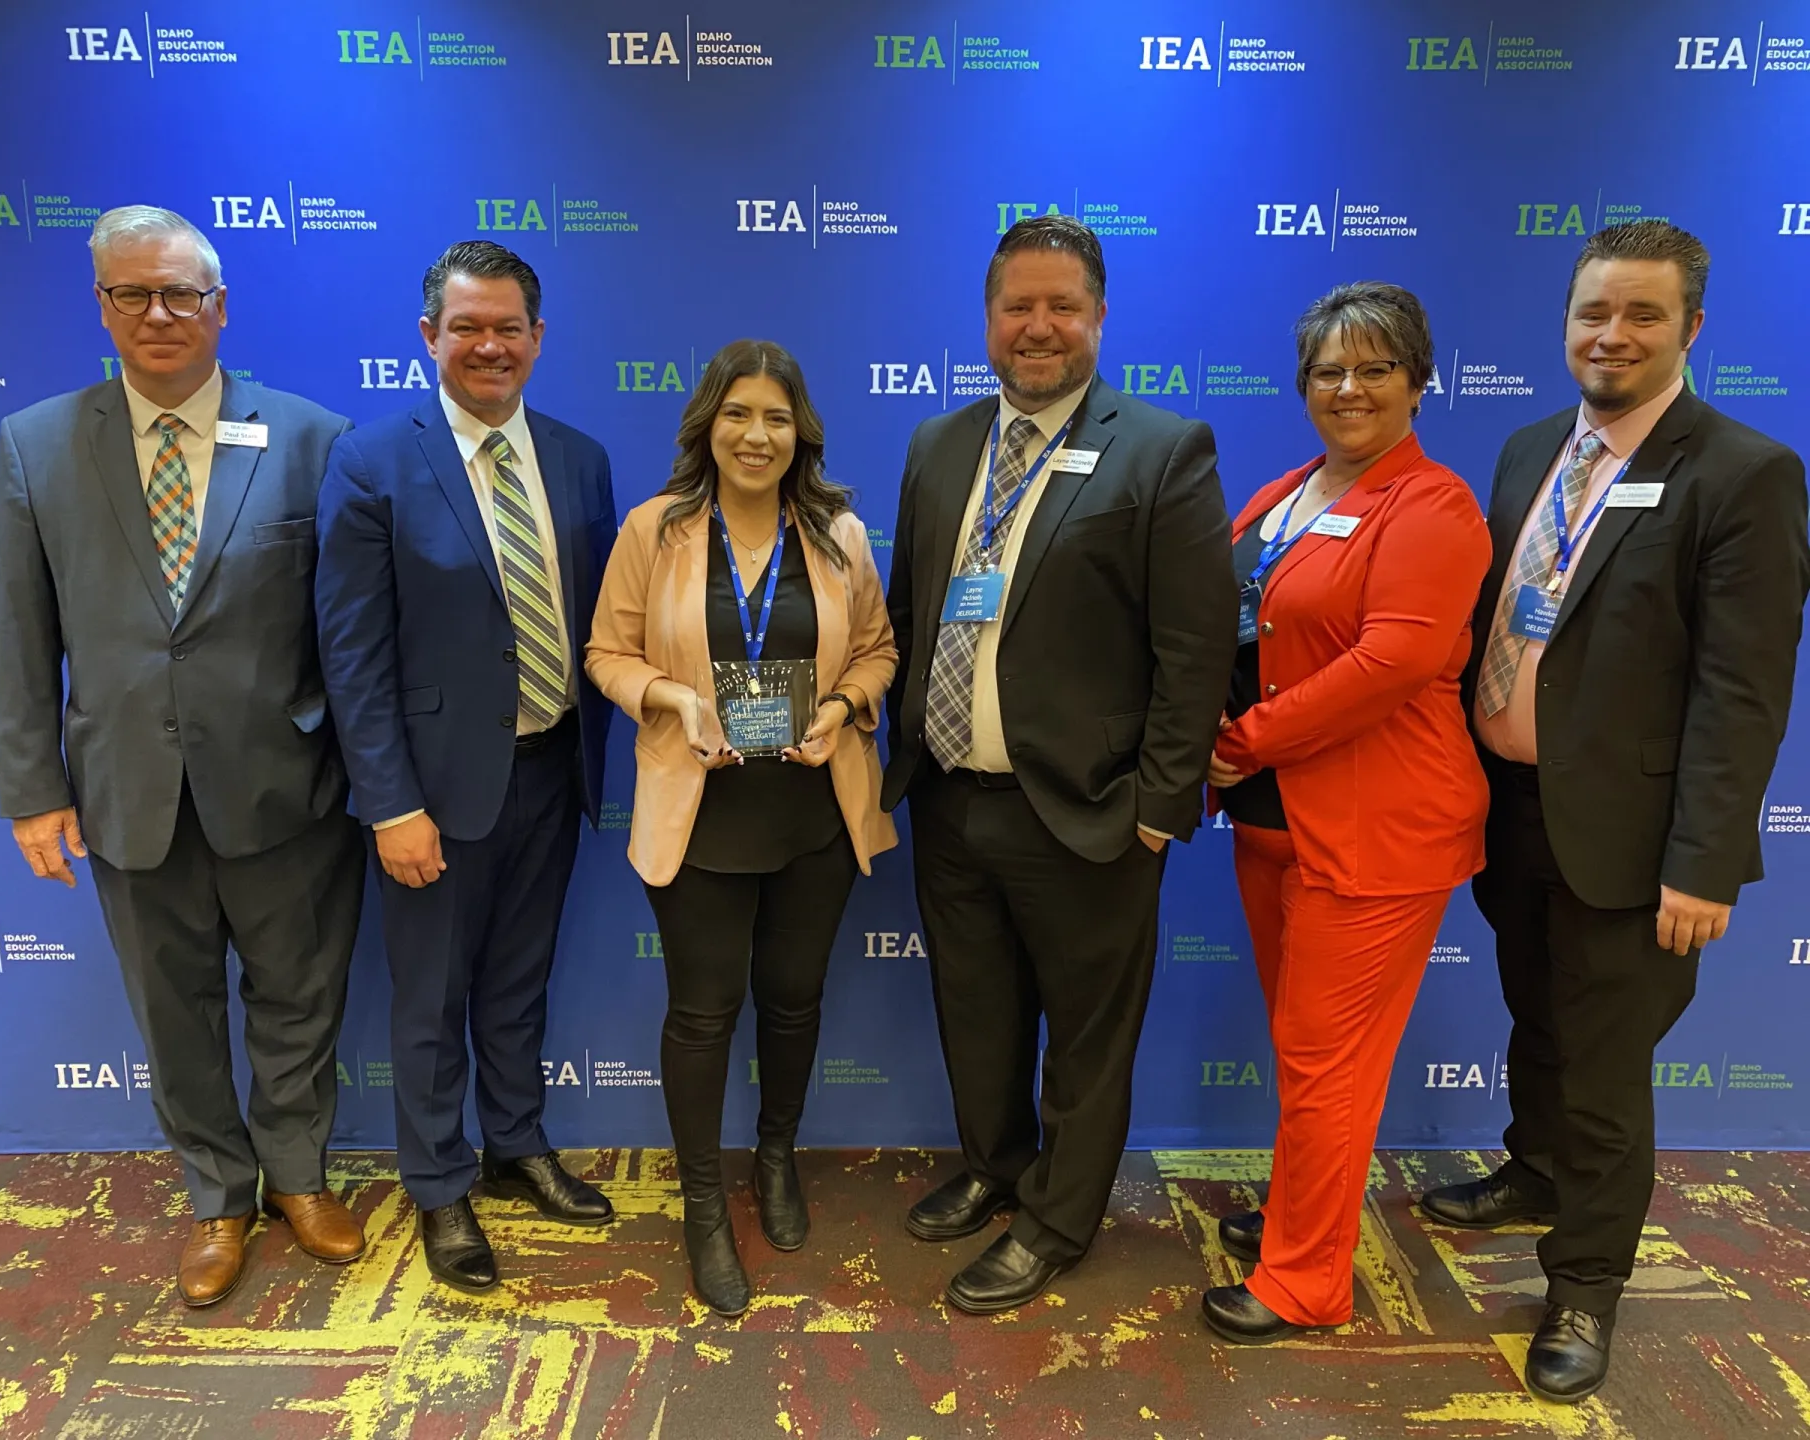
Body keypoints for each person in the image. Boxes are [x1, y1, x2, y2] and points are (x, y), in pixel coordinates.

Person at [1416, 221, 1810, 1402]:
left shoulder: (1744, 473)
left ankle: (1586, 1283)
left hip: (1637, 846)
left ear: (1693, 327)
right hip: (1512, 810)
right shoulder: (1534, 445)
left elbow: (1743, 693)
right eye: (1595, 312)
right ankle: (1534, 1170)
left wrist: (1702, 865)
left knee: (1603, 1069)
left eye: (1643, 315)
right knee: (1536, 1017)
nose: (1613, 335)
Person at [0, 205, 366, 1307]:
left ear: (221, 307)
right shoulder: (36, 443)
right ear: (101, 302)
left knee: (300, 996)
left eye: (182, 294)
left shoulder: (313, 439)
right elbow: (21, 633)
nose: (159, 314)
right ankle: (218, 1194)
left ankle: (300, 1176)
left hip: (284, 787)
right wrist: (32, 791)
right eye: (132, 293)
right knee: (173, 1006)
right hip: (126, 792)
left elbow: (344, 633)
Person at [883, 215, 1237, 1314]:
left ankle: (1056, 1220)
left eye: (1061, 307)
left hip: (1090, 814)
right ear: (987, 319)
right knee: (976, 1012)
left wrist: (1158, 807)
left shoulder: (1162, 450)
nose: (1038, 328)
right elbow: (911, 611)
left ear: (1098, 316)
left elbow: (1197, 650)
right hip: (951, 798)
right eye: (1016, 308)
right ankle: (996, 1165)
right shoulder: (940, 446)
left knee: (1086, 1038)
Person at [315, 241, 618, 1292]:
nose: (489, 347)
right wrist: (389, 804)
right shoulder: (371, 459)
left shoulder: (579, 459)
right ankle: (439, 1188)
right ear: (429, 336)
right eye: (467, 328)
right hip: (432, 795)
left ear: (539, 337)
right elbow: (351, 655)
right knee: (431, 999)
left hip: (552, 771)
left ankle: (516, 1147)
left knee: (518, 985)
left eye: (508, 328)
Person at [1197, 283, 1491, 1344]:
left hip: (1379, 832)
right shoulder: (1283, 493)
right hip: (1274, 826)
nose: (1349, 388)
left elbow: (1394, 661)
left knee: (1329, 1062)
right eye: (1328, 370)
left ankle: (1307, 1280)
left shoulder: (1436, 505)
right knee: (1304, 1051)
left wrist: (1239, 742)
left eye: (1374, 368)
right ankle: (1302, 1219)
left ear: (1419, 380)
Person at [586, 339, 898, 1316]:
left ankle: (775, 1159)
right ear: (707, 426)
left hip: (813, 812)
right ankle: (700, 1209)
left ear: (798, 429)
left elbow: (880, 653)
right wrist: (673, 698)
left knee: (795, 1001)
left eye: (774, 416)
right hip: (699, 816)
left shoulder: (839, 534)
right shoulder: (657, 528)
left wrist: (843, 709)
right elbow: (605, 653)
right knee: (703, 1014)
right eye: (737, 414)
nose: (755, 434)